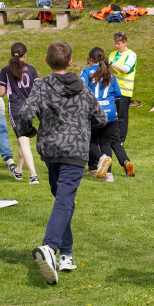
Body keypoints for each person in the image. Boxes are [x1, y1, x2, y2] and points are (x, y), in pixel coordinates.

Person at [18, 41, 106, 285]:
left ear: (46, 61)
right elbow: (101, 117)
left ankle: (65, 253)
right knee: (64, 200)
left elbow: (24, 114)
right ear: (70, 62)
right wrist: (83, 124)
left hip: (51, 149)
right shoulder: (83, 88)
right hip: (75, 150)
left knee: (62, 198)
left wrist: (29, 130)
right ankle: (52, 247)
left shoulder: (42, 87)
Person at [81, 47, 134, 181]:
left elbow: (81, 89)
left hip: (94, 112)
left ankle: (101, 159)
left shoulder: (86, 71)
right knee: (105, 143)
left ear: (91, 59)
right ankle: (108, 174)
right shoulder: (109, 73)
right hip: (110, 113)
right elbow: (117, 94)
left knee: (88, 141)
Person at [0, 42, 40, 183]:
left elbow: (1, 93)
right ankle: (18, 170)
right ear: (25, 54)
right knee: (22, 140)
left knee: (24, 142)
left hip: (16, 108)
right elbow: (38, 89)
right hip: (30, 108)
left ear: (11, 54)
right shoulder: (32, 69)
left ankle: (33, 175)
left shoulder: (6, 70)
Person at [108, 32, 137, 143]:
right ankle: (111, 138)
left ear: (125, 42)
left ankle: (120, 140)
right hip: (111, 90)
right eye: (115, 43)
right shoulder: (113, 54)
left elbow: (125, 69)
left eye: (119, 43)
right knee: (111, 115)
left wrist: (110, 63)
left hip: (124, 90)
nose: (117, 46)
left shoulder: (131, 55)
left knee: (122, 117)